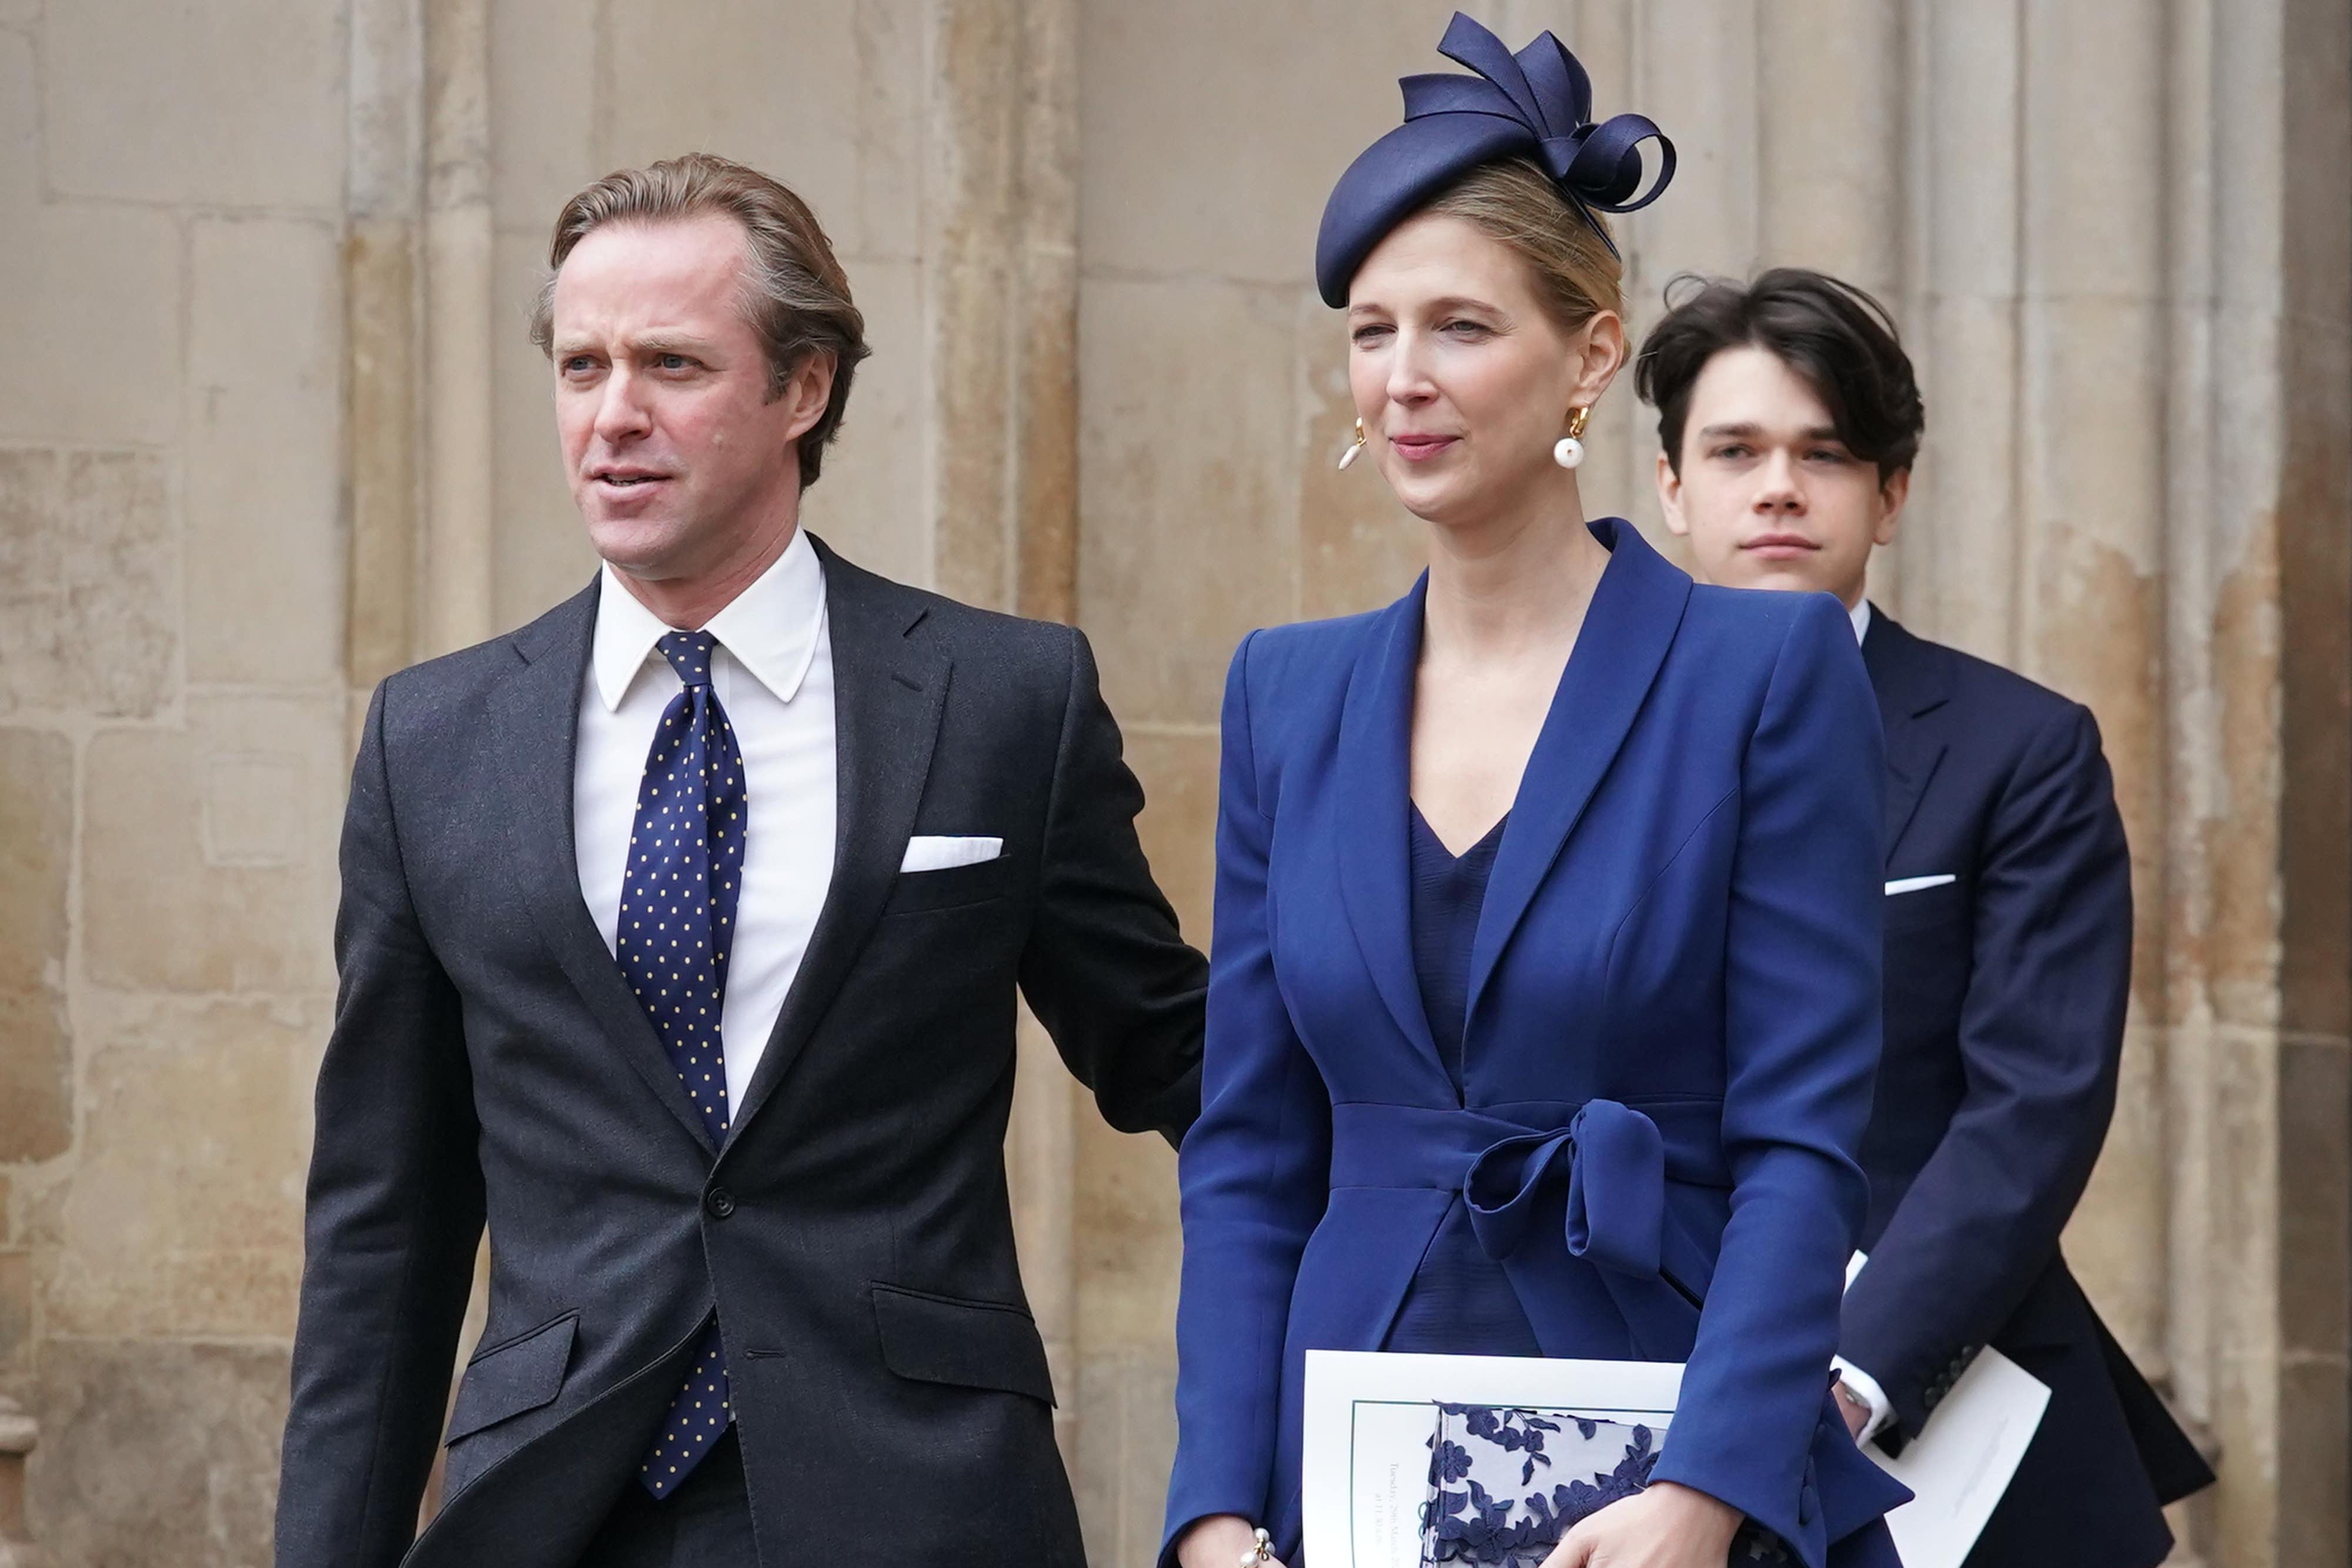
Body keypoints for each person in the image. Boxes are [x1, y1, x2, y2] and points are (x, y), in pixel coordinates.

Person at [275, 153, 1207, 1568]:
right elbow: (382, 1228)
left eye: (670, 363)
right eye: (579, 366)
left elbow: (1182, 1065)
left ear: (803, 387)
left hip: (923, 1501)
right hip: (555, 1509)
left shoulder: (1004, 700)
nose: (612, 416)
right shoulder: (433, 737)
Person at [1161, 18, 1910, 1568]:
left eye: (1458, 327)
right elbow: (1247, 1150)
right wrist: (1217, 1510)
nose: (1406, 380)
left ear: (1588, 351)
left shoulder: (1760, 672)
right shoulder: (1285, 694)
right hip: (1347, 1460)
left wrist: (1706, 1493)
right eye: (1373, 333)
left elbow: (1802, 1141)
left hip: (1671, 1443)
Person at [1638, 266, 2216, 1568]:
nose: (1776, 485)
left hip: (1946, 1414)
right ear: (1671, 484)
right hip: (1630, 1386)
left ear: (1887, 493)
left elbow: (2032, 1102)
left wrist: (1848, 1373)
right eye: (1733, 450)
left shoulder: (2019, 749)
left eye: (1822, 453)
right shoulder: (1558, 741)